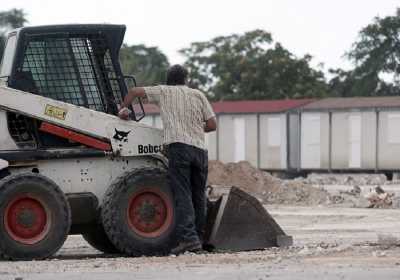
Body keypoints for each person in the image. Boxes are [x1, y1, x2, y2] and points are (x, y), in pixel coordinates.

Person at [118, 65, 217, 255]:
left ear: (168, 79)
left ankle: (189, 241)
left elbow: (134, 91)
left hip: (179, 148)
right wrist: (194, 129)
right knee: (198, 195)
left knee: (183, 194)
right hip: (200, 150)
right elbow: (212, 125)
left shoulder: (164, 91)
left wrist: (123, 108)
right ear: (186, 79)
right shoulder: (198, 95)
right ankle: (199, 239)